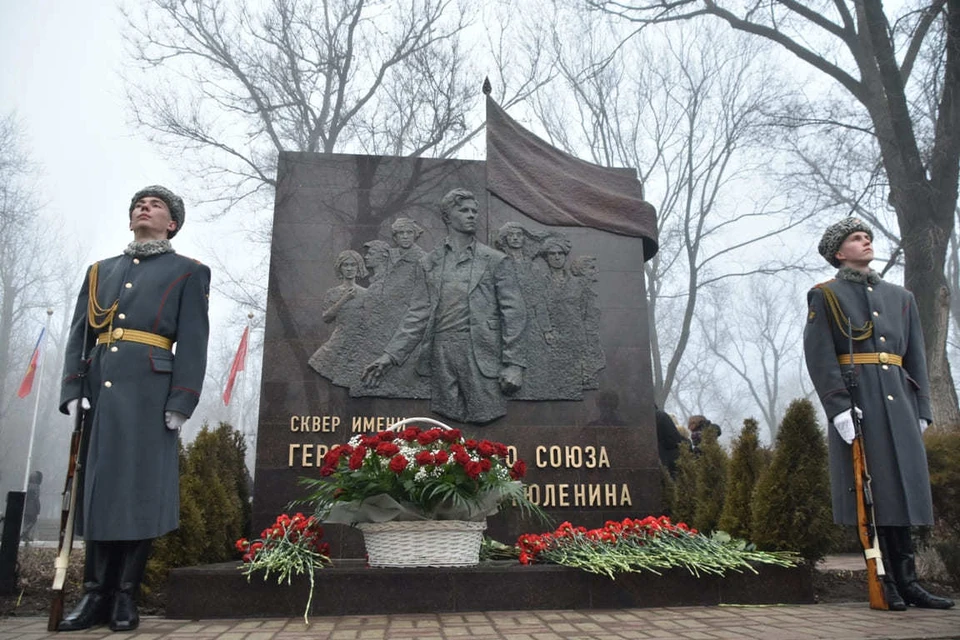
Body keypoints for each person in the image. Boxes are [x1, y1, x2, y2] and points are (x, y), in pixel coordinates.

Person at [58, 185, 211, 631]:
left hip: (151, 395)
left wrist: (182, 399)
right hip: (102, 395)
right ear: (130, 221)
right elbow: (80, 335)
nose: (144, 208)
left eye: (156, 205)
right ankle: (94, 596)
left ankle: (125, 596)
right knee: (99, 494)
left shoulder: (188, 272)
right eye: (138, 206)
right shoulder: (99, 272)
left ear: (172, 223)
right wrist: (74, 386)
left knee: (139, 495)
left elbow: (194, 341)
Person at [803, 217, 953, 610]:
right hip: (860, 402)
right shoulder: (827, 296)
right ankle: (882, 580)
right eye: (856, 238)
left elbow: (916, 356)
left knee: (902, 491)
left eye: (868, 236)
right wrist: (838, 407)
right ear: (839, 253)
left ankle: (909, 582)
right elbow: (819, 357)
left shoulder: (901, 297)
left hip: (899, 401)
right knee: (872, 494)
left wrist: (921, 408)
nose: (866, 241)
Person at [362, 188, 526, 423]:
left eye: (475, 211)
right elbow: (417, 315)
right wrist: (389, 357)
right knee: (445, 424)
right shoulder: (429, 263)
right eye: (464, 210)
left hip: (480, 352)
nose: (472, 215)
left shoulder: (495, 260)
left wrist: (514, 364)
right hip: (441, 354)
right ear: (448, 216)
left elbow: (514, 313)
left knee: (486, 418)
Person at [21, 470, 43, 542]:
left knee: (26, 521)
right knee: (33, 520)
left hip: (26, 506)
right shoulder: (36, 487)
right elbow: (36, 498)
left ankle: (25, 536)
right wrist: (38, 508)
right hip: (33, 507)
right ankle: (25, 532)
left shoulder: (27, 485)